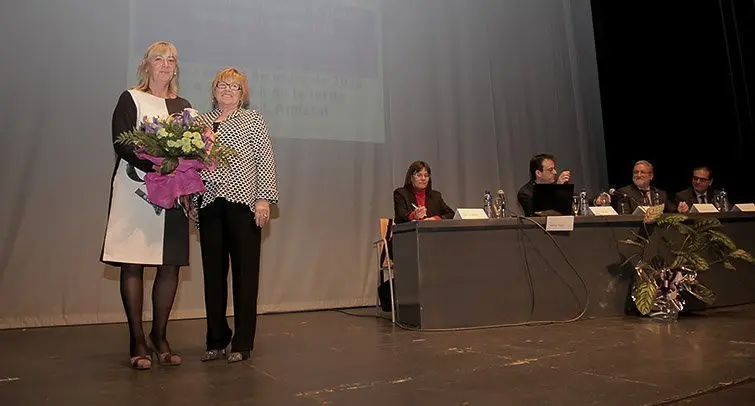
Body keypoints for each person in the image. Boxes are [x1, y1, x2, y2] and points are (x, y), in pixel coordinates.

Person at [101, 41, 190, 370]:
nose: (165, 65)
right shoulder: (131, 98)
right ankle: (137, 340)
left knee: (170, 265)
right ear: (146, 65)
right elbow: (121, 141)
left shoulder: (183, 106)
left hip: (173, 195)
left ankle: (160, 336)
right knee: (134, 263)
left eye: (171, 60)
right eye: (159, 59)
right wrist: (158, 166)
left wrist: (181, 170)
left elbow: (193, 152)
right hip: (134, 192)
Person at [194, 67, 279, 363]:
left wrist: (264, 199)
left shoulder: (252, 119)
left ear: (243, 94)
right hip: (208, 205)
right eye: (222, 84)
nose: (228, 89)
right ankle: (216, 339)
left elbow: (264, 159)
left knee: (245, 275)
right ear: (214, 89)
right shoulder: (200, 122)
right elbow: (191, 166)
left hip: (244, 204)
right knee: (213, 276)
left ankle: (243, 342)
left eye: (235, 86)